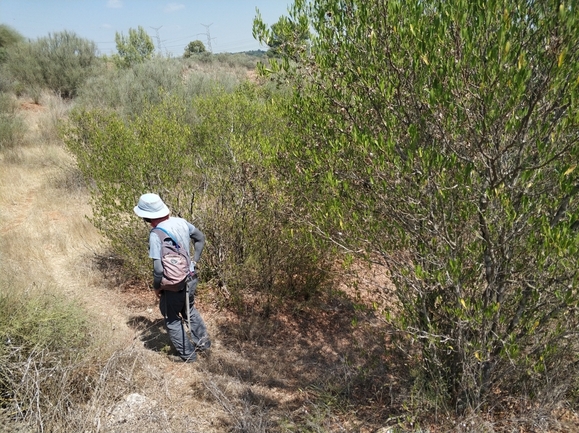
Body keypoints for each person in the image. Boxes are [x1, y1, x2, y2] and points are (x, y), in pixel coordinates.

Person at [133, 193, 211, 363]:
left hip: (173, 285)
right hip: (190, 277)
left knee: (172, 318)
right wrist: (194, 261)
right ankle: (204, 344)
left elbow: (158, 270)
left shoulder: (156, 234)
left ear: (147, 217)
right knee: (189, 310)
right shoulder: (181, 222)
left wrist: (157, 288)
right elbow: (200, 238)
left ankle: (188, 356)